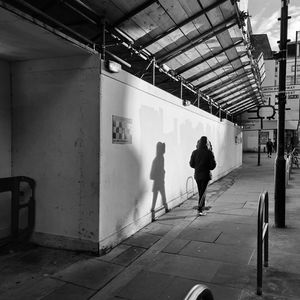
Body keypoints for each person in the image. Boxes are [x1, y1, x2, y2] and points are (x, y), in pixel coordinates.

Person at [189, 136, 216, 216]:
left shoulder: (194, 152)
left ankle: (202, 207)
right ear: (207, 143)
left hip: (197, 175)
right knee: (203, 192)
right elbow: (213, 166)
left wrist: (198, 167)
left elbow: (191, 164)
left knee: (201, 191)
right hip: (206, 175)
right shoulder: (209, 152)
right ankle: (200, 210)